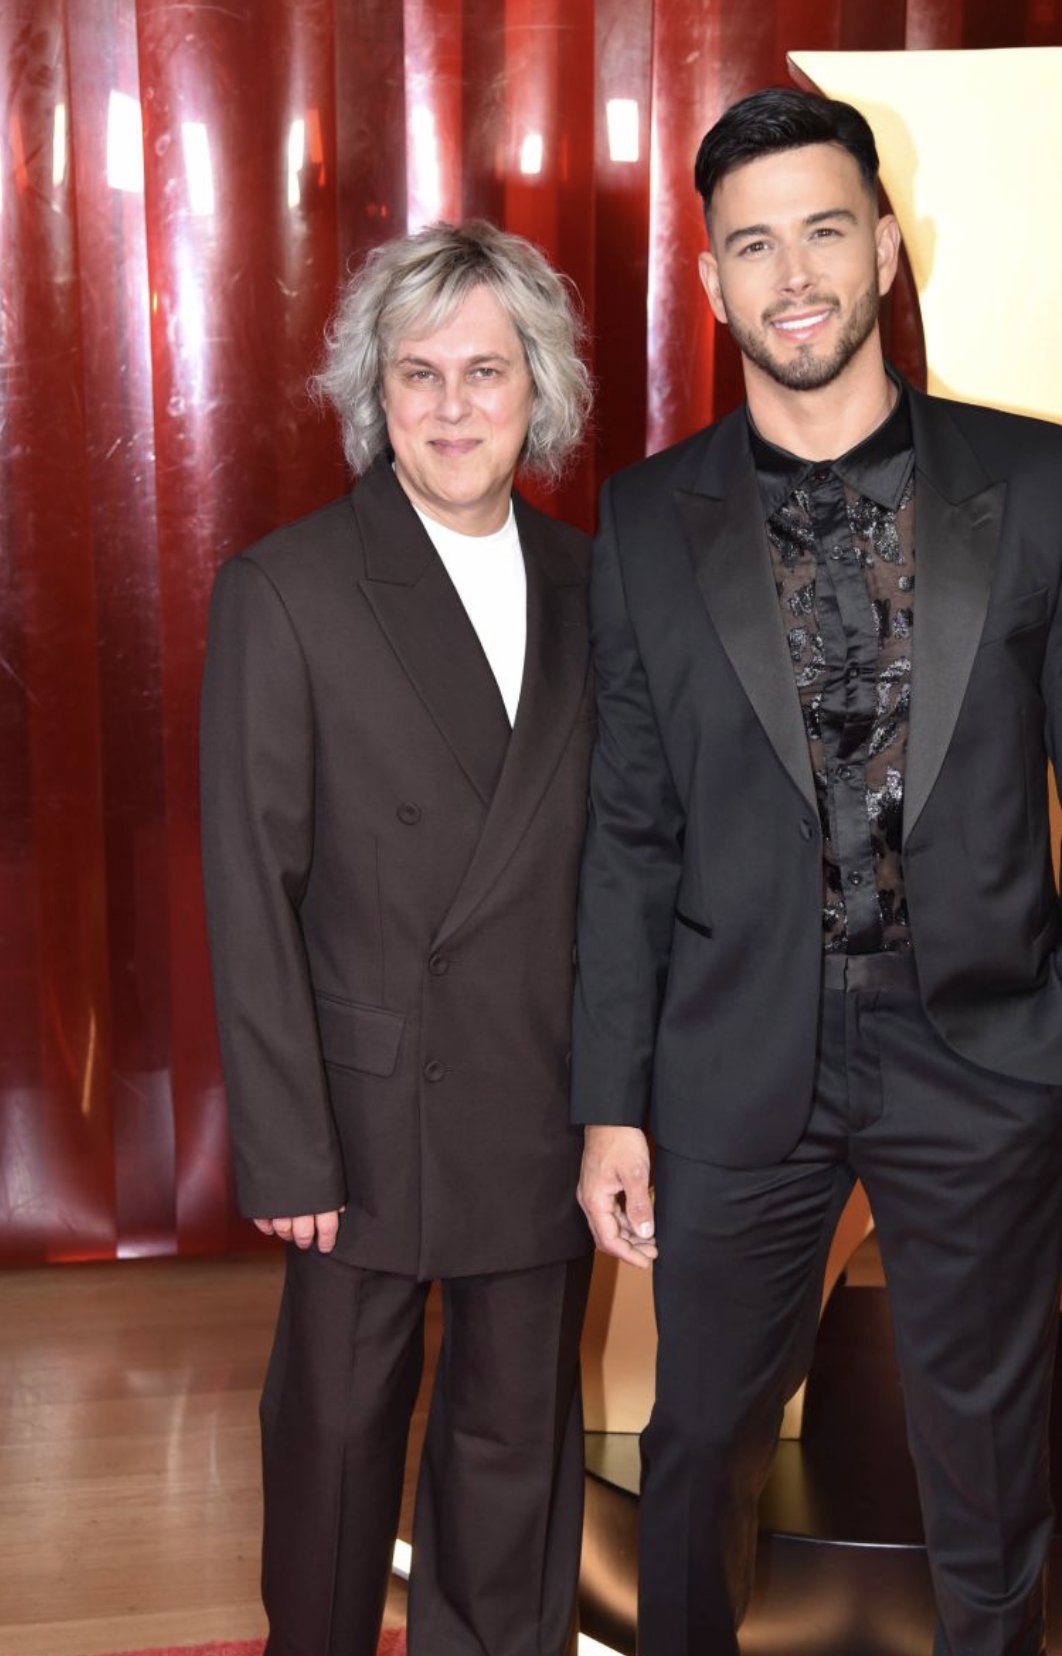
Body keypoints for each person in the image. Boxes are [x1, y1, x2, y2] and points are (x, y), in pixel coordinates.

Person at [572, 87, 1062, 1656]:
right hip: (729, 1054)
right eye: (751, 244)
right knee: (699, 1441)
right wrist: (610, 1098)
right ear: (710, 283)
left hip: (980, 1048)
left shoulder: (1045, 487)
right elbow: (628, 827)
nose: (792, 274)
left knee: (981, 1461)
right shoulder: (640, 523)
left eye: (823, 231)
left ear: (885, 253)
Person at [200, 220, 595, 1656]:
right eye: (414, 373)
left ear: (535, 386)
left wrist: (622, 1107)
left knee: (514, 1449)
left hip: (540, 1094)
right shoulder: (287, 588)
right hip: (362, 1116)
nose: (448, 407)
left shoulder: (592, 584)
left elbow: (622, 873)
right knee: (334, 1451)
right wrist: (286, 1145)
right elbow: (250, 887)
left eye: (484, 371)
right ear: (373, 393)